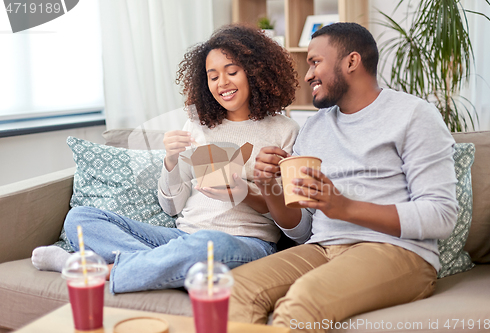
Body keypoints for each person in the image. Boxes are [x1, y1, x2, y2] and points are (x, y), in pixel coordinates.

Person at [31, 24, 300, 294]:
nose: (223, 83)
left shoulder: (284, 131)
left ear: (255, 72)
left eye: (232, 72)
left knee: (209, 244)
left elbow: (290, 218)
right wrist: (171, 160)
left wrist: (243, 193)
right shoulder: (198, 126)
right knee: (80, 218)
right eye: (213, 76)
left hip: (244, 243)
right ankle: (169, 266)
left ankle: (104, 270)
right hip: (181, 237)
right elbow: (172, 208)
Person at [228, 22, 458, 332]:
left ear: (351, 62)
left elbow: (441, 216)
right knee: (235, 289)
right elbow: (302, 230)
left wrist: (346, 208)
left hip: (397, 251)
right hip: (323, 248)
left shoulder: (414, 115)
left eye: (315, 62)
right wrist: (270, 187)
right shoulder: (314, 128)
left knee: (302, 302)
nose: (307, 74)